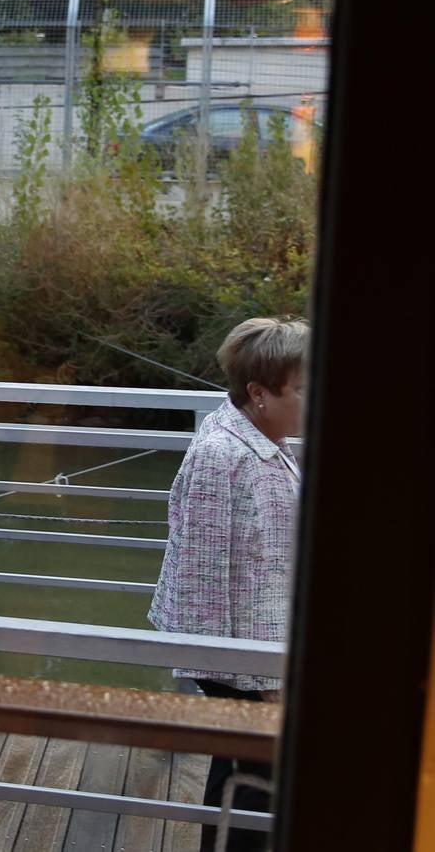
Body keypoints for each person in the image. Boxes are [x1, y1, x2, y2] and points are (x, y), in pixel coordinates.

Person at [148, 316, 308, 852]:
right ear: (259, 393)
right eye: (306, 390)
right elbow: (202, 577)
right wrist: (254, 678)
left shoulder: (267, 440)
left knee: (247, 774)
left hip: (260, 648)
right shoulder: (224, 457)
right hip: (240, 656)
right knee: (251, 782)